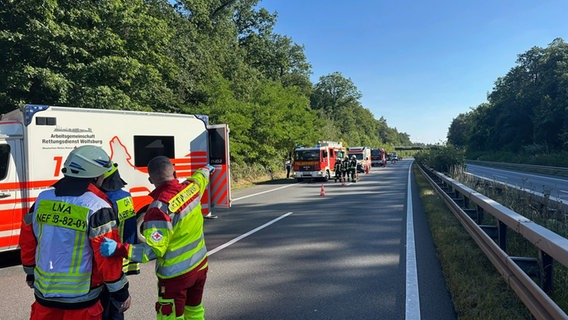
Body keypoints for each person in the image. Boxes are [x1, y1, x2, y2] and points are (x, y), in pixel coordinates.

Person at [19, 145, 131, 320]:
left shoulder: (42, 199)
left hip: (45, 296)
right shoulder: (97, 207)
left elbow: (28, 240)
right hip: (81, 301)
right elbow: (107, 256)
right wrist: (120, 292)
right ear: (95, 175)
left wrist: (31, 272)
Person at [100, 156, 214, 320]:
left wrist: (118, 249)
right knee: (194, 311)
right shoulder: (192, 188)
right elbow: (200, 177)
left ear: (150, 179)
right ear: (174, 171)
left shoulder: (159, 208)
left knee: (170, 316)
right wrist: (207, 169)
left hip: (175, 277)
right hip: (200, 267)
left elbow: (152, 251)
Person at [98, 161, 138, 320]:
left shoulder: (100, 200)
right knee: (116, 308)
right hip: (121, 256)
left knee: (101, 308)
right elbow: (130, 228)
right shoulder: (125, 197)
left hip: (102, 260)